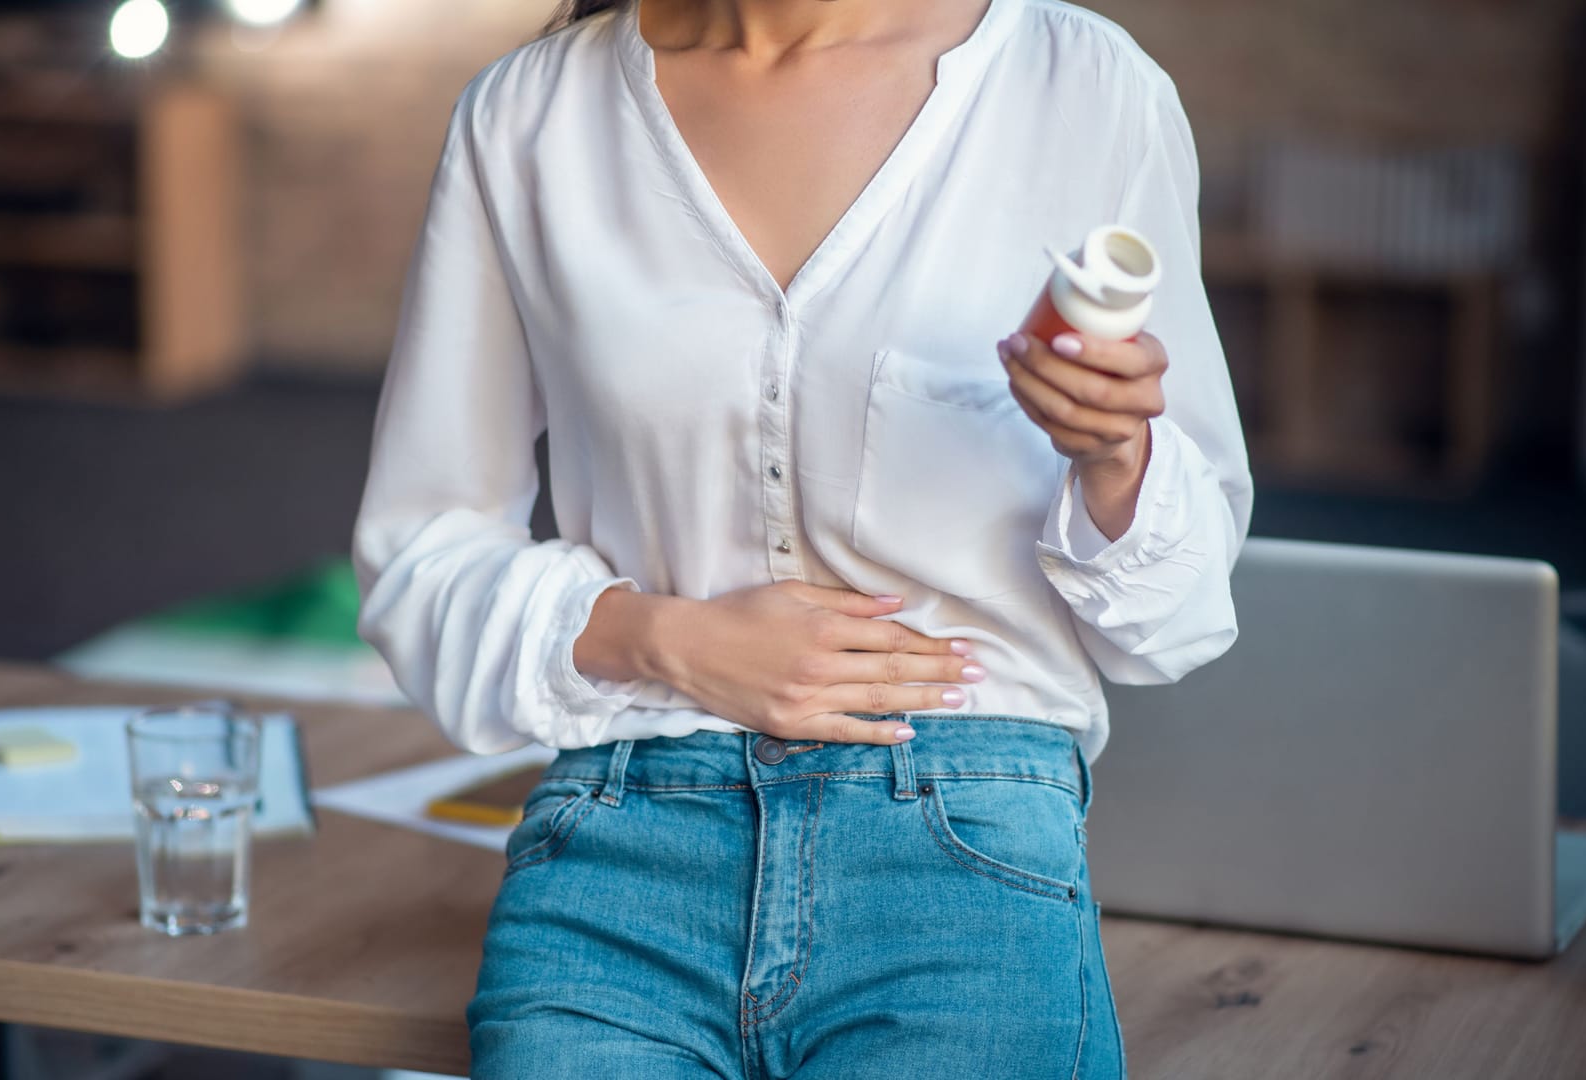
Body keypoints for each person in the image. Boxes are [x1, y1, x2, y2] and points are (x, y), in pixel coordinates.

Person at [353, 0, 1252, 1074]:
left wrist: (1114, 453)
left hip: (961, 851)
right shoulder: (530, 113)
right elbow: (420, 552)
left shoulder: (1083, 84)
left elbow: (1181, 618)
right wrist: (659, 637)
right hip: (620, 841)